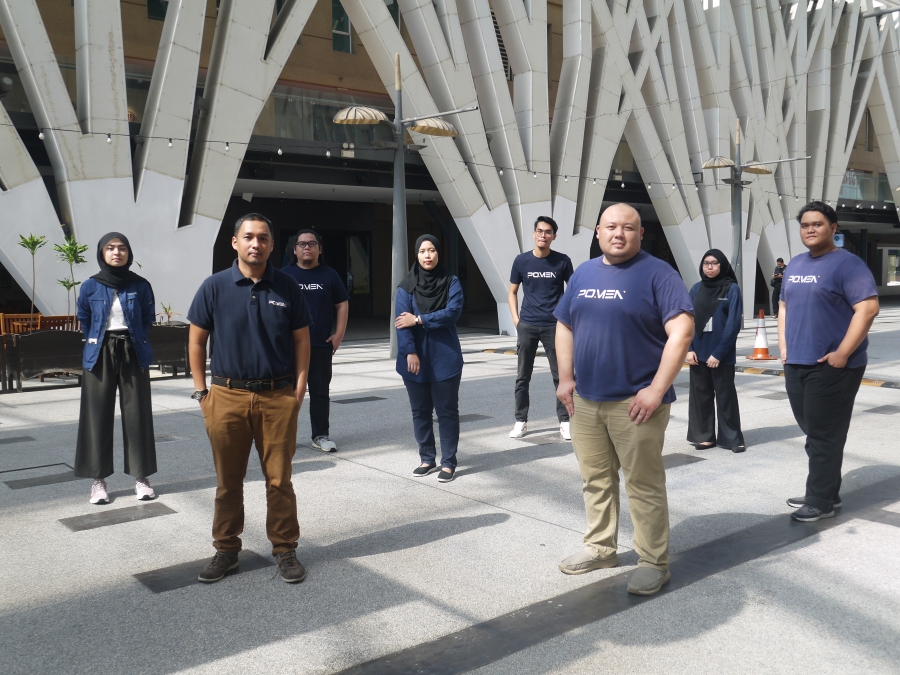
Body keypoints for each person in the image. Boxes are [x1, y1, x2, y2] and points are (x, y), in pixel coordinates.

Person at [555, 203, 694, 596]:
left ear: (640, 234)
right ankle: (601, 548)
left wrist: (656, 389)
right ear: (598, 232)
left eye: (628, 228)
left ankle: (653, 562)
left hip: (636, 403)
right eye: (611, 227)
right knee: (595, 479)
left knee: (643, 484)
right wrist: (565, 378)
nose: (619, 234)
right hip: (586, 400)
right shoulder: (583, 273)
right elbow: (564, 324)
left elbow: (682, 332)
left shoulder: (659, 274)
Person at [187, 213, 312, 584]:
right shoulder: (214, 287)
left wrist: (299, 389)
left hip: (277, 396)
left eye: (263, 238)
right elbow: (196, 341)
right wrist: (202, 392)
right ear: (235, 242)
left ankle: (285, 548)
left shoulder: (287, 286)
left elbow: (302, 340)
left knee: (279, 480)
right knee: (228, 481)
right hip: (226, 396)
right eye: (248, 237)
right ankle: (226, 550)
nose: (256, 243)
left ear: (272, 245)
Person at [778, 201, 879, 522]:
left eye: (817, 224)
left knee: (824, 434)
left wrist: (843, 353)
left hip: (833, 364)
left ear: (833, 228)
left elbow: (868, 309)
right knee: (813, 429)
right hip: (797, 361)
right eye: (805, 225)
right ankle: (825, 491)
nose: (810, 229)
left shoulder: (848, 265)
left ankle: (820, 500)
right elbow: (783, 306)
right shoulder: (795, 264)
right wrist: (783, 345)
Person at [74, 233, 157, 505]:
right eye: (110, 248)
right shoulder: (90, 285)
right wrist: (96, 340)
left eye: (122, 248)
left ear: (129, 253)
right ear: (102, 253)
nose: (116, 252)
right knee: (96, 415)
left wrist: (136, 339)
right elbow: (84, 317)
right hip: (99, 351)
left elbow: (147, 318)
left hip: (133, 350)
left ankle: (141, 478)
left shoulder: (140, 285)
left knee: (137, 414)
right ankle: (98, 481)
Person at [396, 234, 464, 483]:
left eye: (432, 250)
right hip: (415, 359)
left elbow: (452, 312)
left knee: (447, 411)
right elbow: (401, 323)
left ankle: (448, 462)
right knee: (420, 411)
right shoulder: (406, 286)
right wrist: (410, 352)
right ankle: (427, 458)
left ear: (438, 253)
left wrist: (419, 319)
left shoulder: (451, 281)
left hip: (445, 357)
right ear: (416, 255)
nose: (427, 255)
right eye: (422, 251)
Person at [282, 230, 349, 452]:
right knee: (286, 392)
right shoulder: (285, 275)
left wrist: (339, 334)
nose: (307, 247)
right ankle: (284, 435)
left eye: (312, 243)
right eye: (302, 244)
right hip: (289, 347)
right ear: (295, 250)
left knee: (320, 392)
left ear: (320, 249)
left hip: (320, 345)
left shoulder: (330, 275)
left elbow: (342, 303)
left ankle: (320, 435)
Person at [508, 216, 574, 440]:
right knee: (522, 377)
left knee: (561, 375)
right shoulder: (521, 261)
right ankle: (520, 421)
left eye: (547, 232)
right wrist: (516, 320)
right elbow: (512, 292)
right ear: (534, 234)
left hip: (554, 326)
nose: (543, 235)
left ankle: (565, 422)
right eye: (539, 231)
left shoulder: (562, 261)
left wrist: (566, 320)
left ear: (554, 236)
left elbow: (573, 291)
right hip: (527, 324)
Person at [686, 249, 745, 452]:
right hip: (698, 353)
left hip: (721, 354)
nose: (709, 267)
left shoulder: (732, 289)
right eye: (706, 263)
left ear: (722, 265)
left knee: (726, 397)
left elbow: (733, 324)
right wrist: (689, 349)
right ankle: (704, 436)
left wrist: (719, 354)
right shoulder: (696, 289)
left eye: (714, 263)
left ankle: (732, 438)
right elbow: (687, 321)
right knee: (700, 397)